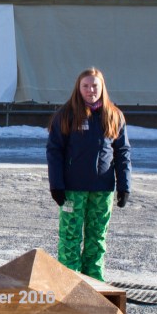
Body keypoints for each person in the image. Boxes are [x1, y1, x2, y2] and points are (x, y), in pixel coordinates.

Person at [46, 67, 132, 281]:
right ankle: (69, 281)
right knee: (70, 237)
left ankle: (94, 283)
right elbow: (54, 151)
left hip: (102, 191)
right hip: (72, 190)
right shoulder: (66, 115)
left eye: (95, 85)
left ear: (102, 87)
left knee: (97, 239)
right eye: (86, 86)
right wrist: (56, 185)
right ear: (79, 88)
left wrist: (124, 186)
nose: (90, 90)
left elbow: (122, 152)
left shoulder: (113, 115)